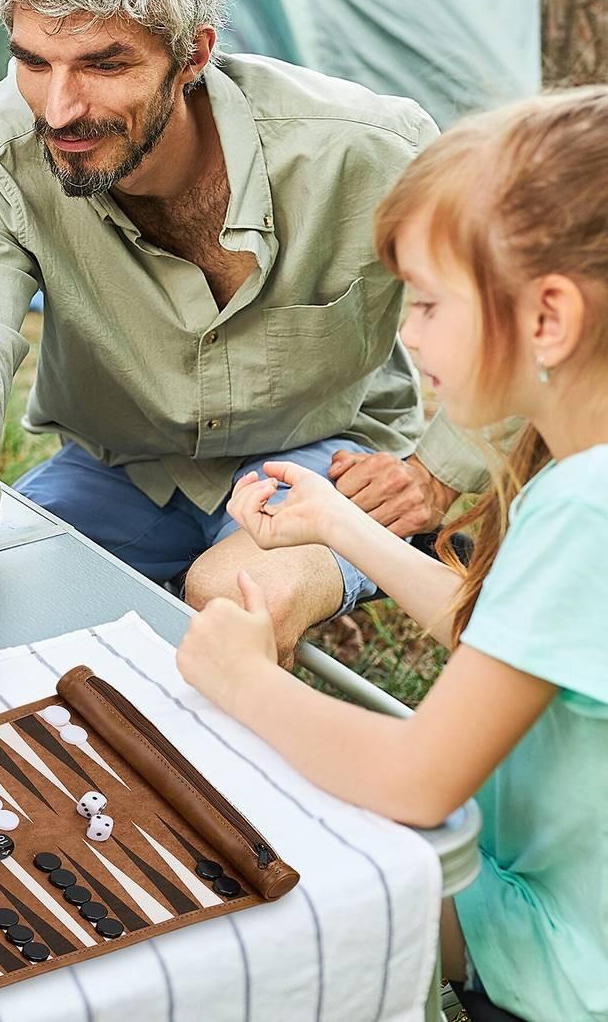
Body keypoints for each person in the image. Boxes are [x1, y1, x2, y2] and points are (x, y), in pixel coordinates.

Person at [0, 0, 491, 758]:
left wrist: (443, 470)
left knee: (228, 595)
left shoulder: (367, 149)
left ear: (193, 55)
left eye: (104, 65)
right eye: (33, 61)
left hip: (324, 459)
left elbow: (524, 303)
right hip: (122, 469)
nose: (60, 109)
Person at [176, 89, 608, 1022]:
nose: (406, 335)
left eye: (426, 303)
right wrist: (341, 522)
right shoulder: (584, 478)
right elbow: (498, 631)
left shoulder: (586, 507)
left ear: (549, 320)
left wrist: (246, 679)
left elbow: (420, 776)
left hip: (561, 964)